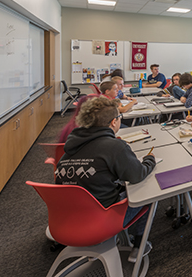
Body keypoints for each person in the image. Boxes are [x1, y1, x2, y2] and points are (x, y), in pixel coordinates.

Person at [55, 97, 156, 263]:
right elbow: (137, 175)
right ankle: (139, 245)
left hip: (68, 219)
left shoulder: (70, 148)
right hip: (102, 219)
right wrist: (149, 160)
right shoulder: (114, 147)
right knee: (148, 194)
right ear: (114, 122)